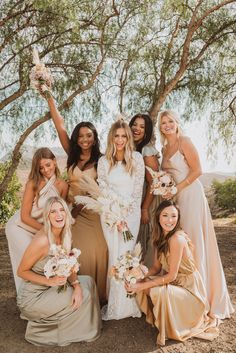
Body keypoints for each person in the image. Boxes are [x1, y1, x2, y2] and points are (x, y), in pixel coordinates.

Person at [158, 110, 234, 319]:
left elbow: (198, 170)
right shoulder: (164, 148)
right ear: (160, 126)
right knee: (182, 244)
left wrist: (177, 188)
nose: (167, 125)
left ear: (177, 123)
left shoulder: (185, 141)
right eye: (163, 122)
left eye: (171, 121)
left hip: (190, 195)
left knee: (194, 241)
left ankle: (204, 297)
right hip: (176, 200)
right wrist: (168, 189)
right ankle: (187, 295)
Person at [42, 95, 108, 303]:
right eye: (80, 136)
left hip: (92, 213)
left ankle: (100, 296)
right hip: (71, 212)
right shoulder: (71, 153)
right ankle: (78, 294)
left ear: (95, 138)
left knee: (98, 250)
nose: (84, 140)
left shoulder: (102, 161)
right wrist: (49, 98)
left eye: (89, 136)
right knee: (74, 250)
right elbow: (60, 126)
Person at [126, 200, 219, 346]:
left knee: (156, 290)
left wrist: (141, 287)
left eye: (174, 216)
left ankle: (178, 322)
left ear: (178, 218)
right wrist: (138, 275)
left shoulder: (177, 239)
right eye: (165, 215)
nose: (170, 220)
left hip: (189, 288)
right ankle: (166, 317)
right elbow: (156, 269)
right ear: (158, 217)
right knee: (142, 282)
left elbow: (171, 276)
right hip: (176, 283)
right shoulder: (159, 237)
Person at [17, 196, 101, 346]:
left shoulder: (65, 234)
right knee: (85, 294)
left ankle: (82, 327)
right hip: (33, 297)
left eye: (62, 210)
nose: (59, 215)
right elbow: (21, 271)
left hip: (52, 287)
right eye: (53, 212)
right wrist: (50, 281)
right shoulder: (42, 241)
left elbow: (69, 264)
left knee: (87, 281)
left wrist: (76, 285)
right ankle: (40, 330)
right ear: (47, 216)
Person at [97, 119, 145, 320]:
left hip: (131, 215)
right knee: (114, 255)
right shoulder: (103, 161)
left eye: (124, 136)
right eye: (116, 135)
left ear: (128, 138)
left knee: (126, 255)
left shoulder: (136, 158)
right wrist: (114, 214)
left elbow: (137, 190)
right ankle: (116, 304)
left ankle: (128, 303)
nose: (120, 140)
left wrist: (125, 214)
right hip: (109, 215)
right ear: (111, 137)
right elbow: (103, 189)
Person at [6, 147, 68, 292]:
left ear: (55, 162)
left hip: (43, 229)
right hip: (20, 226)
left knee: (44, 259)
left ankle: (45, 294)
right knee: (29, 261)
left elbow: (60, 210)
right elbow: (24, 216)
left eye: (48, 165)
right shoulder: (32, 183)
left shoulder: (63, 186)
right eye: (41, 167)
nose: (45, 170)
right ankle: (27, 296)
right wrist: (47, 232)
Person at [129, 114, 160, 266]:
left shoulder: (146, 150)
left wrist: (145, 208)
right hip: (129, 203)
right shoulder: (127, 147)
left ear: (147, 131)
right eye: (135, 124)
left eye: (142, 127)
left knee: (141, 245)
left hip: (145, 201)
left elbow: (154, 181)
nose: (137, 129)